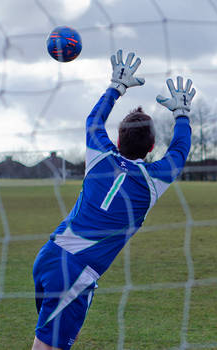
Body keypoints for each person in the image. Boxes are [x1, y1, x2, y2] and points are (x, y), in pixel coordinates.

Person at [32, 49, 195, 350]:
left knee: (53, 340)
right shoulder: (152, 181)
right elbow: (179, 152)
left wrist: (115, 87)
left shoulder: (99, 157)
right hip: (75, 274)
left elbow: (94, 119)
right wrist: (182, 114)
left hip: (48, 256)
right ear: (150, 148)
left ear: (118, 140)